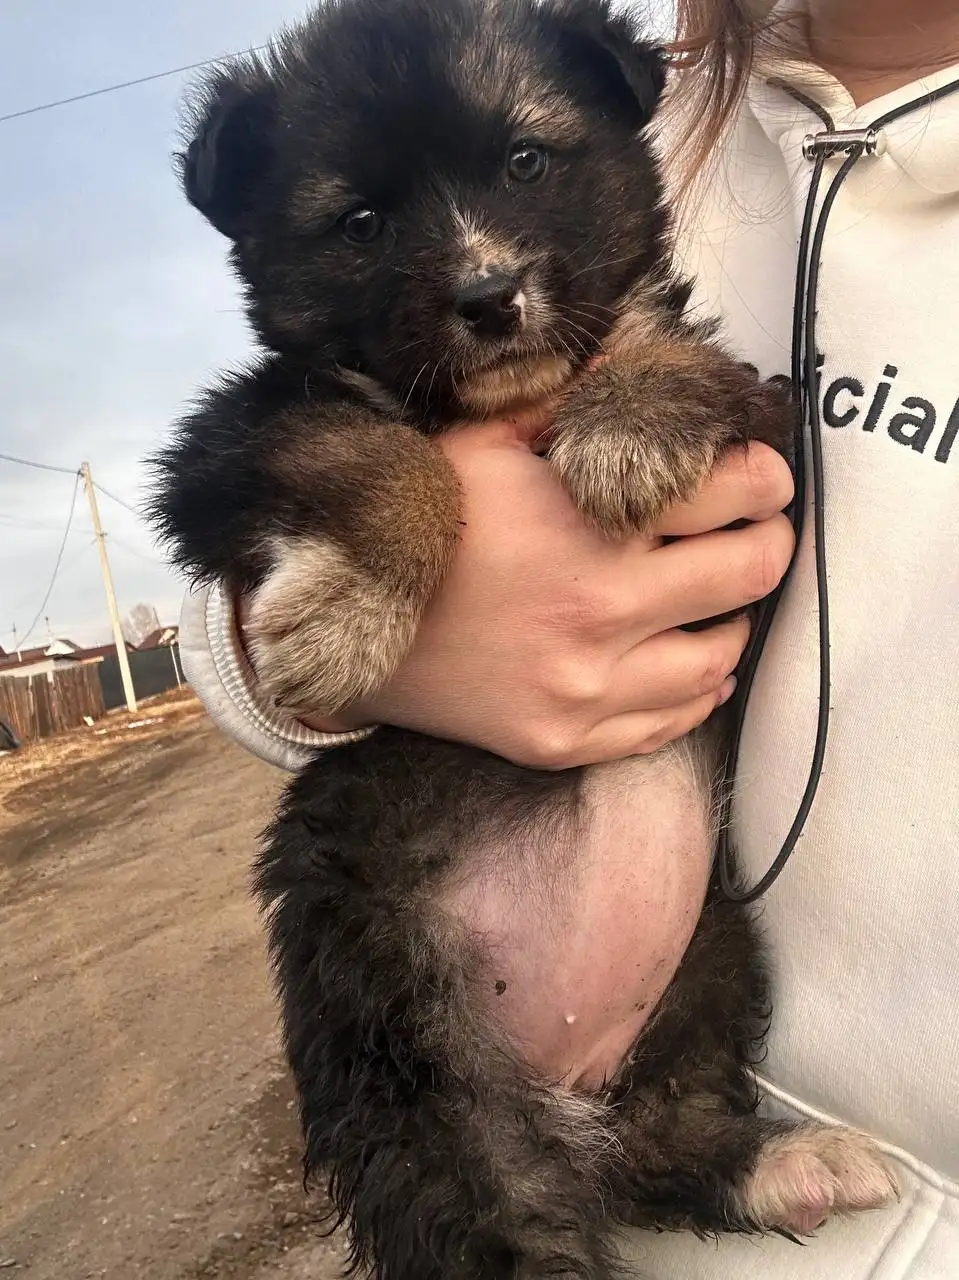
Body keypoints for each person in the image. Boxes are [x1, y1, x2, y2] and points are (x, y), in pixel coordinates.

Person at [178, 0, 959, 1274]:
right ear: (259, 237)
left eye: (525, 165)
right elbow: (224, 512)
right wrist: (387, 557)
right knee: (439, 1151)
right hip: (419, 900)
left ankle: (686, 1149)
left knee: (685, 1044)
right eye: (363, 224)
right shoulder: (704, 126)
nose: (478, 261)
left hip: (722, 1014)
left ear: (606, 129)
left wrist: (644, 394)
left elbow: (714, 403)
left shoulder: (640, 252)